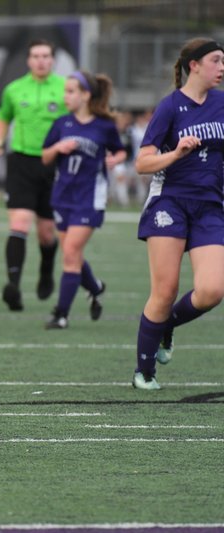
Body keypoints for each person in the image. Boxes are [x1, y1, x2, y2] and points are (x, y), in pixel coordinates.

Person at [131, 38, 224, 390]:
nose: (222, 67)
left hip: (210, 206)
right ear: (194, 65)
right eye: (216, 60)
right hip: (169, 202)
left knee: (212, 290)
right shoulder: (170, 107)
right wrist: (176, 154)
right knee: (165, 290)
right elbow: (142, 162)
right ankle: (144, 371)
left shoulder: (222, 103)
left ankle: (167, 325)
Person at [40, 70, 126, 329]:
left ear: (86, 95)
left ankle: (61, 314)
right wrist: (57, 148)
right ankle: (95, 287)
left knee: (70, 252)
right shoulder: (62, 124)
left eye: (71, 91)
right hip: (63, 196)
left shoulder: (104, 125)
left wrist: (114, 159)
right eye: (65, 91)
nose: (65, 96)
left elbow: (121, 151)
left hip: (90, 198)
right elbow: (45, 157)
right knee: (72, 254)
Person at [0, 39, 66, 311]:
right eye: (36, 56)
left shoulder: (65, 89)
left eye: (46, 55)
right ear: (29, 60)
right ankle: (14, 286)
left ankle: (46, 272)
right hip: (21, 162)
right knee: (19, 224)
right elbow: (3, 116)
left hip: (54, 164)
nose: (41, 60)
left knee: (46, 233)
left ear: (53, 59)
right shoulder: (14, 89)